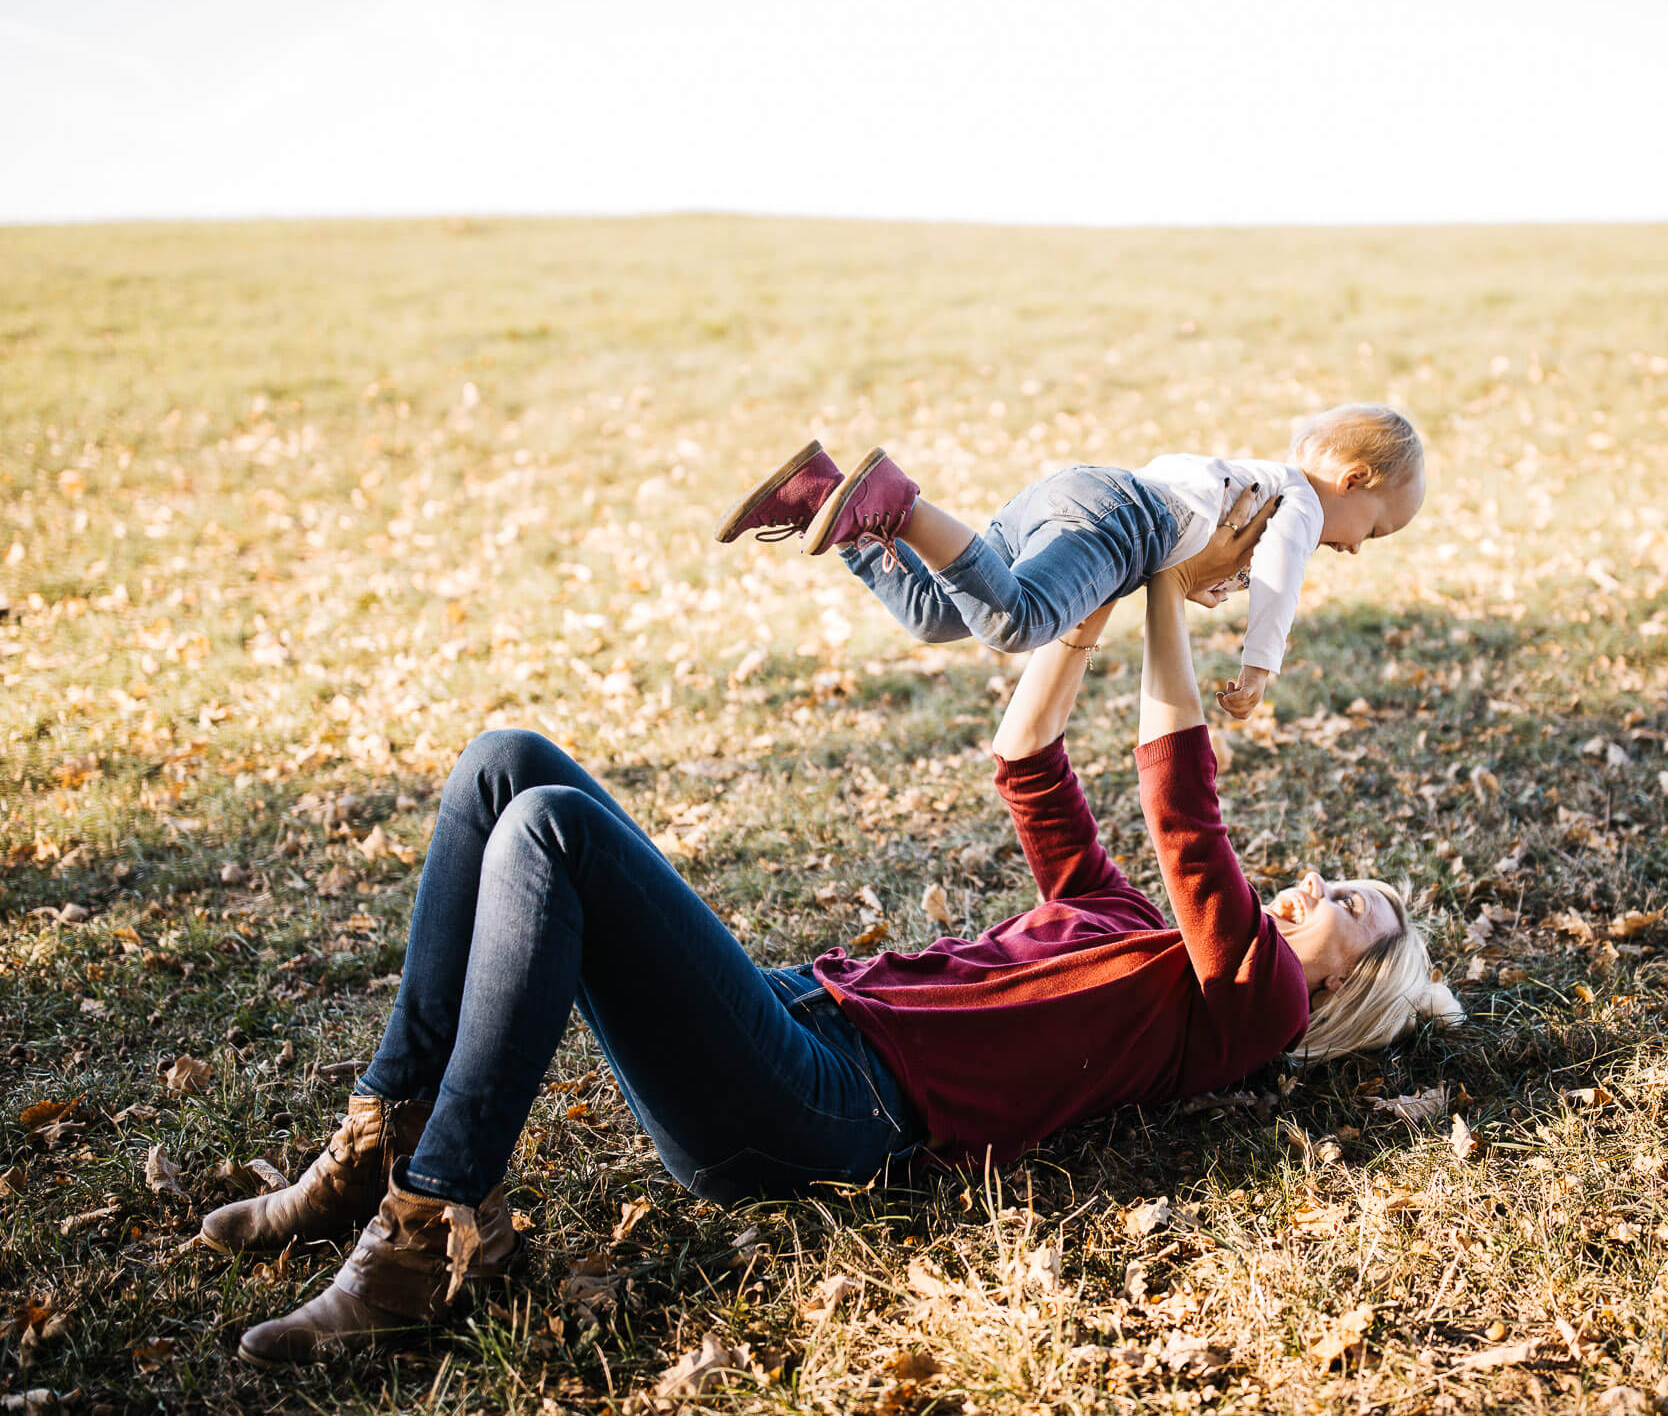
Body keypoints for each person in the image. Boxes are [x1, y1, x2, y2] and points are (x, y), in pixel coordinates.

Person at [201, 486, 1461, 1366]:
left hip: (828, 1112)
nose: (1318, 892)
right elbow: (1029, 758)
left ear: (1349, 988)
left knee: (548, 834)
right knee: (504, 763)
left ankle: (423, 1240)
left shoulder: (1255, 1011)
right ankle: (374, 1148)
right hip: (797, 1015)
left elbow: (1182, 800)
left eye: (1352, 910)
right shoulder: (1127, 920)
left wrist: (1166, 593)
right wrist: (1082, 615)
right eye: (1338, 881)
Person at [715, 403, 1425, 719]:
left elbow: (1200, 547)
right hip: (1117, 522)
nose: (1359, 548)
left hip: (1076, 494)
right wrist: (1258, 667)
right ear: (1354, 480)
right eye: (1377, 530)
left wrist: (1201, 586)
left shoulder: (1250, 479)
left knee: (935, 615)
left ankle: (825, 502)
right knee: (1015, 623)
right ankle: (898, 504)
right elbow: (1278, 584)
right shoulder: (1299, 499)